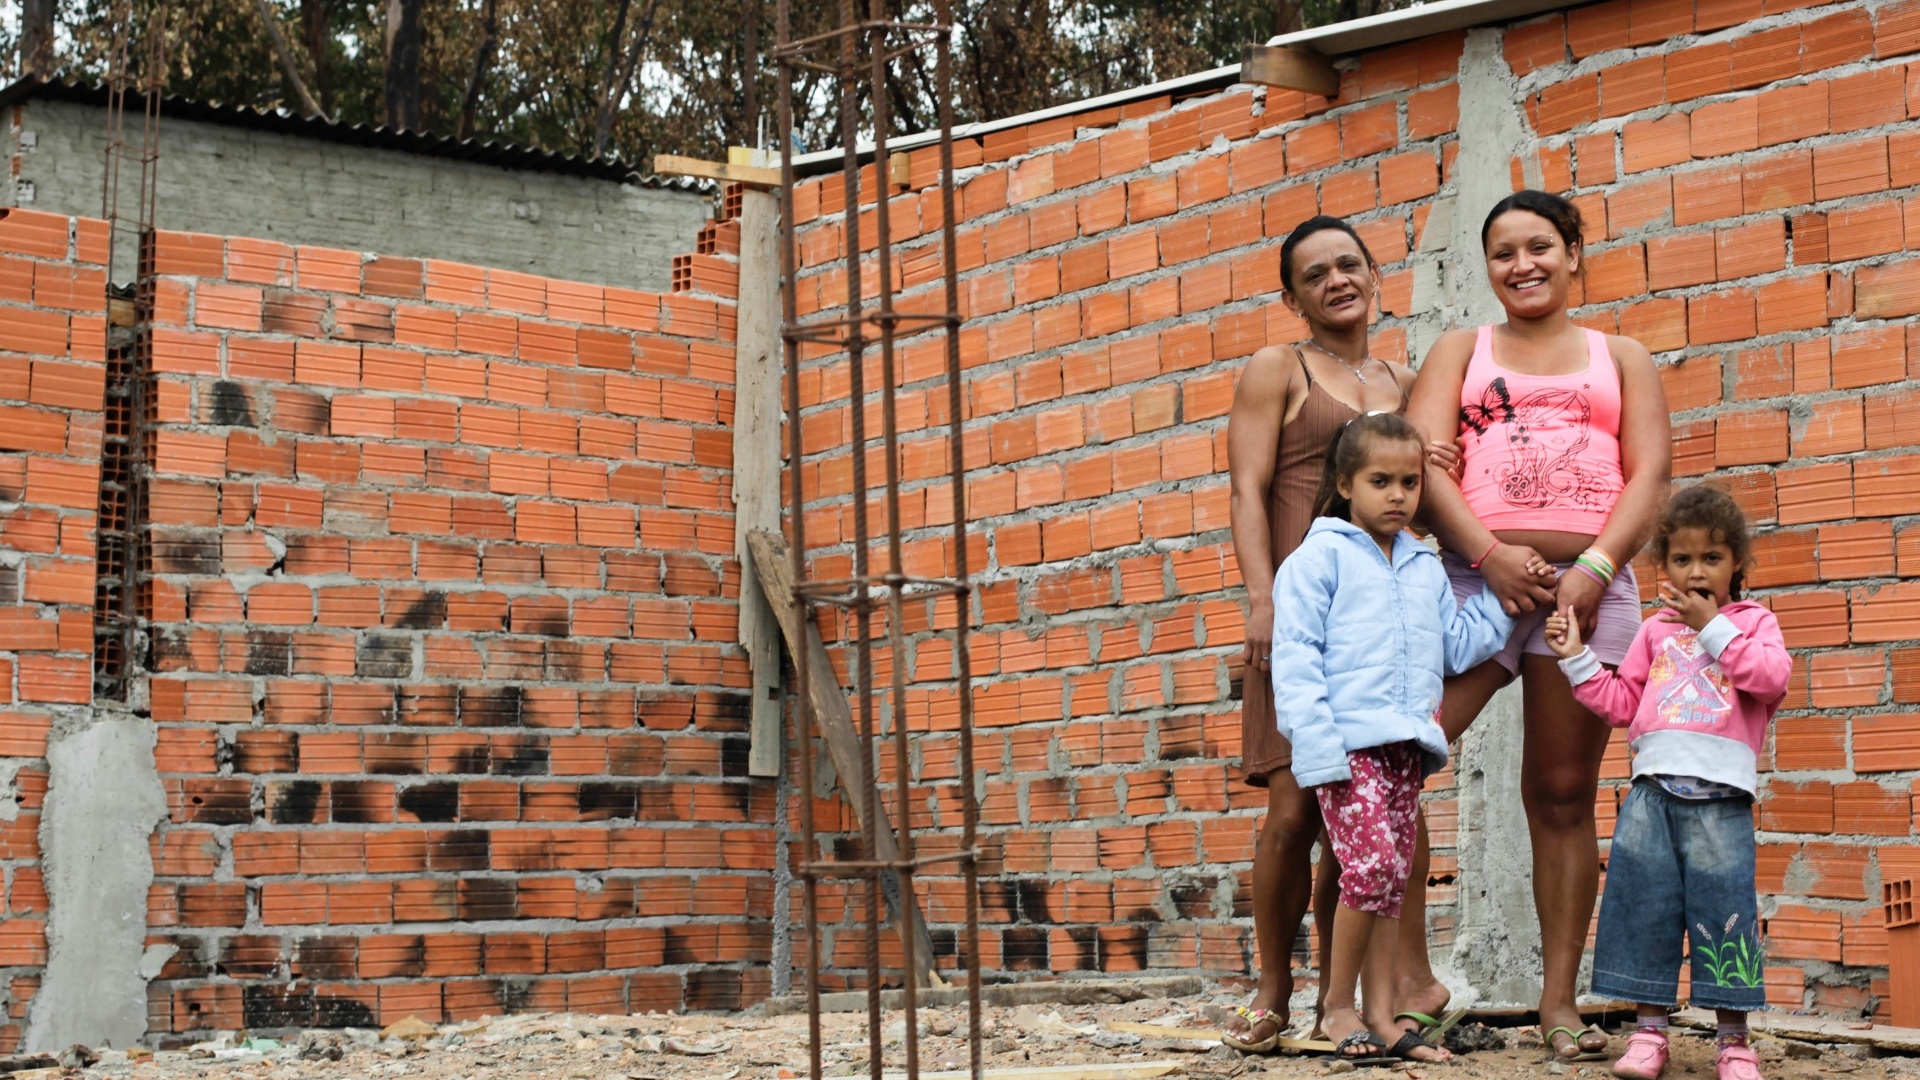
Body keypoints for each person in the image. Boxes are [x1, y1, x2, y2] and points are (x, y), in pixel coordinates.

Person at [1404, 189, 1673, 1062]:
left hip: (1587, 597)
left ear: (1573, 252)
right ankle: (1405, 989)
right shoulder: (1460, 350)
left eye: (1540, 247)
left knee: (1560, 796)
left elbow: (1651, 472)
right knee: (1397, 763)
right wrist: (1488, 556)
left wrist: (1593, 571)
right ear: (1486, 267)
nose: (1522, 265)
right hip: (1473, 585)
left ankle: (1561, 1003)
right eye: (1503, 252)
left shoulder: (1620, 354)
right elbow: (1420, 465)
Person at [1224, 215, 1456, 1051]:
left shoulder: (1403, 376)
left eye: (1348, 264)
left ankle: (1350, 997)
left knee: (1369, 812)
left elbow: (1421, 491)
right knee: (1294, 805)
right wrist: (1262, 599)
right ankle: (1273, 987)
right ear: (1293, 296)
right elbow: (1248, 490)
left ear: (1373, 273)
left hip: (1377, 629)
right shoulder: (1276, 368)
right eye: (1314, 273)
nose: (1336, 280)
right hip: (1298, 610)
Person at [1269, 411, 1513, 1064]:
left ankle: (1381, 1014)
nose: (1399, 495)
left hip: (1405, 752)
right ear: (1346, 482)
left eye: (1410, 482)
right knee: (1371, 867)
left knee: (1389, 879)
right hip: (1346, 751)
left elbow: (1456, 649)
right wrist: (1318, 753)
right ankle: (1336, 1006)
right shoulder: (1316, 560)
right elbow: (1294, 661)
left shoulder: (1423, 566)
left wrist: (1500, 587)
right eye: (1382, 481)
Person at [1544, 486, 1785, 1080]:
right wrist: (1577, 658)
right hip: (1650, 797)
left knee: (1723, 912)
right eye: (1681, 559)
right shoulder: (1654, 632)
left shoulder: (1753, 623)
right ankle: (1649, 1035)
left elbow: (1771, 679)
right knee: (1642, 909)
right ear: (1665, 567)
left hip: (1721, 803)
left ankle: (1733, 1043)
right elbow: (1623, 702)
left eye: (1711, 559)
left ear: (1737, 567)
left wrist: (1714, 629)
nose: (1696, 571)